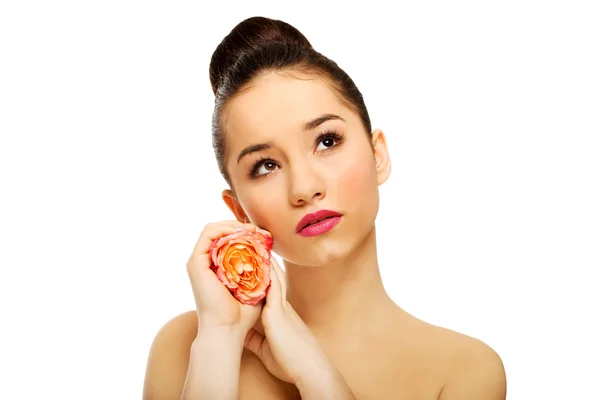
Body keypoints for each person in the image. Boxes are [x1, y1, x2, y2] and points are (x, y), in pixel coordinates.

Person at [143, 16, 507, 400]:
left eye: (327, 141)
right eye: (265, 166)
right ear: (238, 210)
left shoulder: (465, 371)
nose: (305, 188)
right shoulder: (187, 347)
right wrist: (217, 340)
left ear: (378, 154)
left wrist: (312, 369)